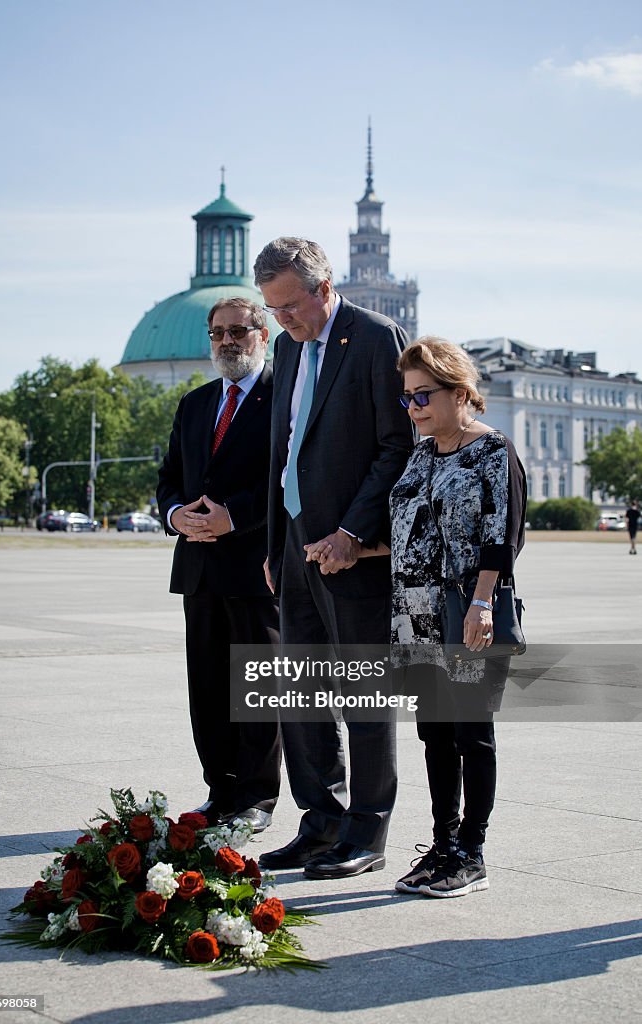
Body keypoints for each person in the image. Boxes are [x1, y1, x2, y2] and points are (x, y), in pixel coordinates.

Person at [253, 237, 412, 879]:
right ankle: (320, 822)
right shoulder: (289, 348)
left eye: (290, 306)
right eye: (272, 310)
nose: (282, 321)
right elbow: (282, 449)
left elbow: (397, 446)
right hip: (294, 544)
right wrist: (274, 545)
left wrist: (352, 530)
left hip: (353, 550)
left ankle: (367, 832)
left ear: (322, 288)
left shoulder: (376, 337)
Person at [389, 337, 526, 898]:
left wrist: (482, 603)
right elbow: (408, 529)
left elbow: (503, 536)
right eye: (408, 399)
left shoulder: (493, 451)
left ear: (460, 392)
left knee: (472, 731)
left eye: (423, 396)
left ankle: (473, 851)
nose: (415, 408)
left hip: (467, 609)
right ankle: (442, 845)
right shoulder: (422, 453)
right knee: (434, 734)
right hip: (414, 611)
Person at [156, 298, 282, 833]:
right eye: (217, 333)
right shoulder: (195, 403)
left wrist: (236, 518)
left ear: (263, 335)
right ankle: (220, 789)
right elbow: (169, 477)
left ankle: (256, 798)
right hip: (199, 570)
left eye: (237, 331)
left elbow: (285, 479)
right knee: (206, 689)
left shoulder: (285, 399)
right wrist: (174, 512)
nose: (226, 341)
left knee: (256, 689)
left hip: (257, 568)